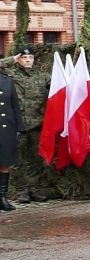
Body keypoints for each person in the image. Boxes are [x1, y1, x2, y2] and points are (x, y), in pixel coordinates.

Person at [3, 46, 48, 203]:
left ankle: (36, 189)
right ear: (18, 59)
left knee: (36, 159)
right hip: (17, 124)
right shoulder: (10, 75)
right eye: (24, 58)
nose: (28, 60)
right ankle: (22, 191)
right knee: (17, 160)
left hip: (37, 123)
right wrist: (12, 59)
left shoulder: (43, 77)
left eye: (30, 58)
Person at [0, 62, 26, 211]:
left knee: (4, 163)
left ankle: (2, 198)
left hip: (6, 128)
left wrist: (19, 128)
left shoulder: (7, 80)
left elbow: (15, 105)